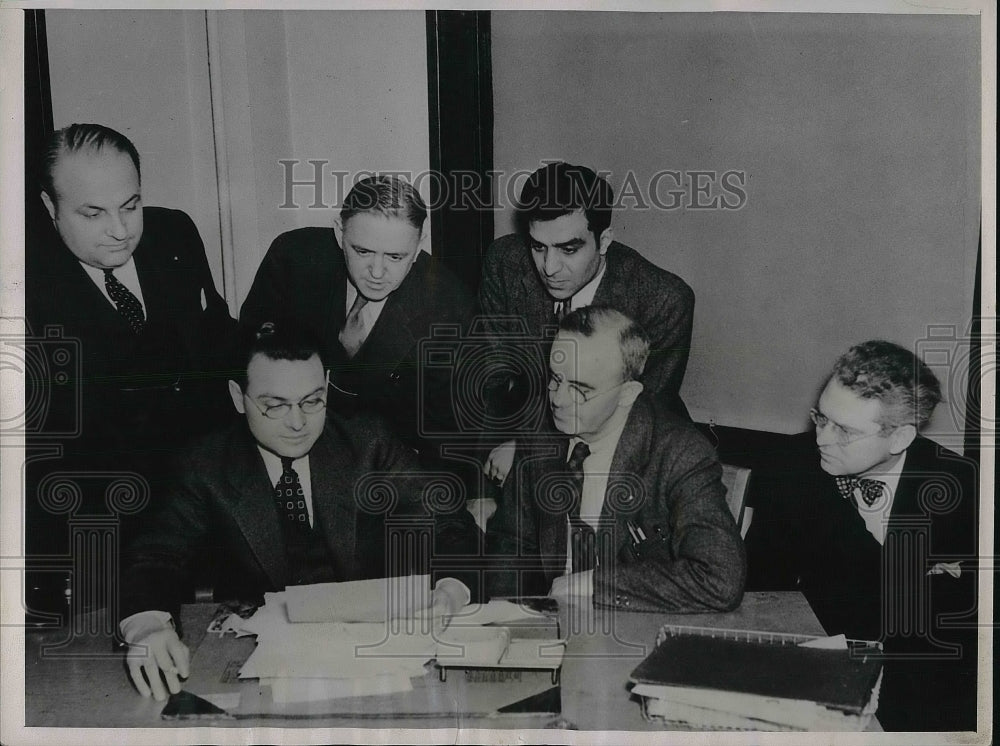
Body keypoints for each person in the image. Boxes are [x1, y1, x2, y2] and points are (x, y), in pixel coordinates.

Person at [118, 321, 481, 701]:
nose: (298, 423)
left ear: (326, 383)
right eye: (275, 405)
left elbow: (449, 520)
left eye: (312, 401)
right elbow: (155, 555)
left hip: (376, 658)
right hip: (258, 667)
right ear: (238, 397)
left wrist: (451, 588)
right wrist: (146, 626)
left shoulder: (368, 443)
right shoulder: (205, 465)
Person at [25, 123, 237, 616]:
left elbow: (218, 336)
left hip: (213, 502)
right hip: (106, 532)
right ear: (49, 206)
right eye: (93, 213)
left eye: (131, 205)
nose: (121, 230)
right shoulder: (23, 284)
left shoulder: (173, 233)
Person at [744, 340, 979, 731]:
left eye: (845, 430)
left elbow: (963, 643)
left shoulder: (962, 489)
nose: (821, 438)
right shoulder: (791, 466)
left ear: (901, 438)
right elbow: (760, 586)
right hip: (811, 674)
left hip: (921, 693)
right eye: (821, 418)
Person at [485, 306, 744, 612]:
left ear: (627, 394)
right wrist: (505, 621)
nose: (557, 399)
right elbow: (510, 544)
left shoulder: (680, 454)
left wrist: (593, 584)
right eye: (555, 379)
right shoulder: (540, 434)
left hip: (637, 629)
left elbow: (720, 579)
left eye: (581, 389)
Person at [479, 162, 694, 486]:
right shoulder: (505, 263)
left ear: (604, 240)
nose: (549, 267)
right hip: (518, 447)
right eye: (538, 246)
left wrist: (528, 450)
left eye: (568, 249)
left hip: (632, 463)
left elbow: (630, 421)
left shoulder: (663, 301)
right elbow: (489, 381)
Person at [240, 175, 474, 466]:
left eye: (395, 257)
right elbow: (250, 359)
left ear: (418, 246)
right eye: (362, 251)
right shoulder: (293, 259)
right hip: (286, 433)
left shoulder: (447, 304)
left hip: (385, 455)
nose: (377, 272)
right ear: (339, 233)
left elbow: (446, 425)